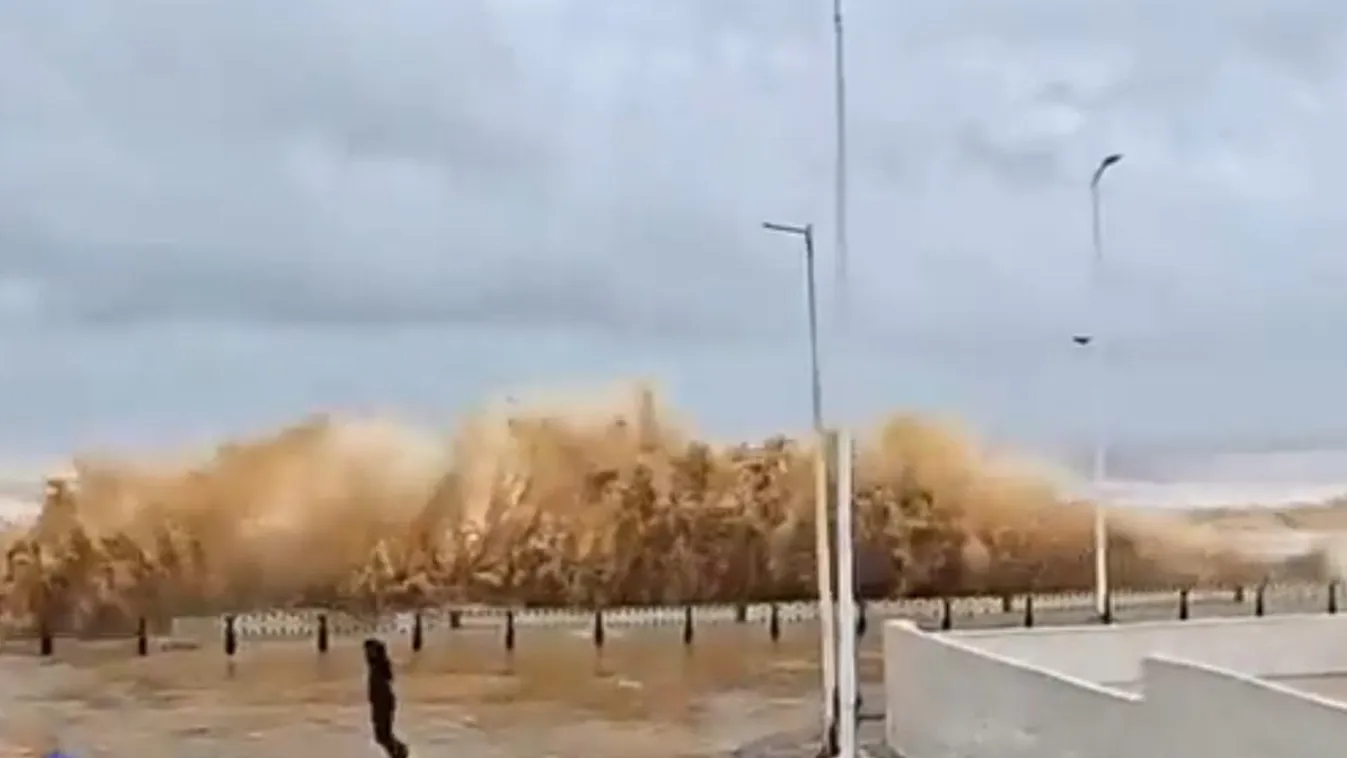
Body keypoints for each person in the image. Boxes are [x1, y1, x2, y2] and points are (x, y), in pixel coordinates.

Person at [363, 638, 409, 758]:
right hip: (380, 703)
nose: (367, 653)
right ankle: (398, 752)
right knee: (382, 736)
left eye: (370, 651)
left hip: (383, 703)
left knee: (382, 735)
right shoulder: (375, 666)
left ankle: (400, 752)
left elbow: (381, 687)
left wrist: (379, 706)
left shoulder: (378, 667)